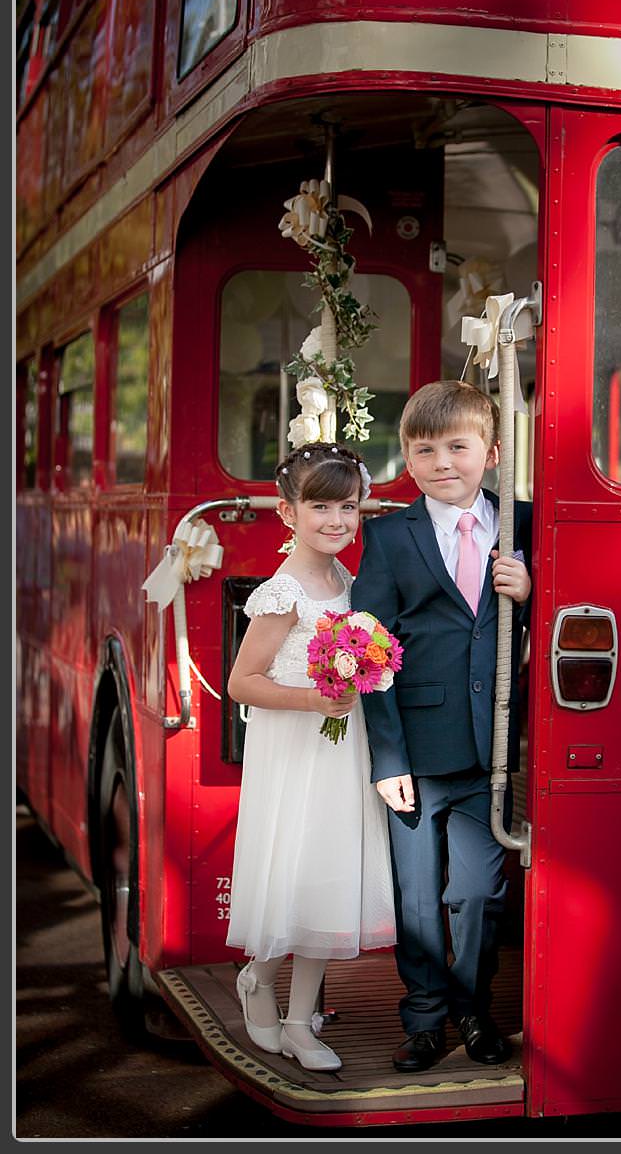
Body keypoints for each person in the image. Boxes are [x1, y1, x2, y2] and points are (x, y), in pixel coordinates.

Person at [353, 380, 532, 1073]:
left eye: (456, 446)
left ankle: (472, 1010)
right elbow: (368, 648)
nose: (441, 462)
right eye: (424, 450)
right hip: (416, 754)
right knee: (420, 896)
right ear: (407, 456)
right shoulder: (388, 536)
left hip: (489, 748)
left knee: (478, 893)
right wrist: (387, 757)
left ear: (489, 453)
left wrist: (531, 587)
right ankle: (424, 1020)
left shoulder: (521, 521)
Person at [225, 442, 400, 1073]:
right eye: (320, 505)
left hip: (341, 752)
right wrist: (313, 698)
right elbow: (242, 682)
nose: (336, 520)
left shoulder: (347, 581)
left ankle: (301, 1022)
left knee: (329, 874)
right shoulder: (283, 592)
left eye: (348, 506)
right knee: (296, 872)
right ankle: (257, 977)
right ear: (286, 513)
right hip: (298, 750)